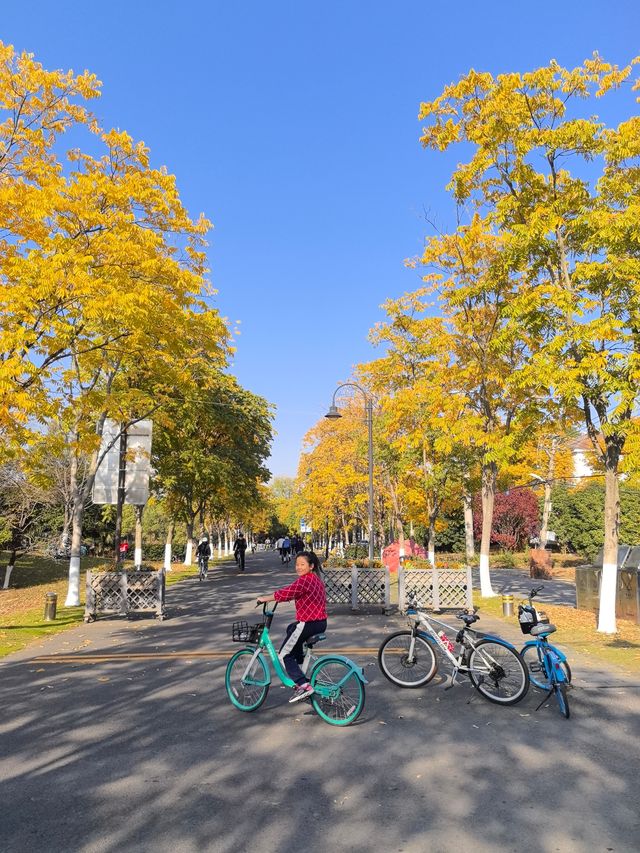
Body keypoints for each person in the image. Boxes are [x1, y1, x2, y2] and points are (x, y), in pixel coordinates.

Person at [257, 551, 327, 703]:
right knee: (291, 628)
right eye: (297, 564)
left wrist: (265, 598)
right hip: (320, 623)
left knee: (283, 654)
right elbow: (296, 594)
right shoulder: (316, 580)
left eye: (303, 564)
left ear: (311, 566)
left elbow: (287, 592)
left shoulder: (304, 581)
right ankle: (300, 668)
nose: (299, 567)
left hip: (308, 623)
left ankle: (303, 685)